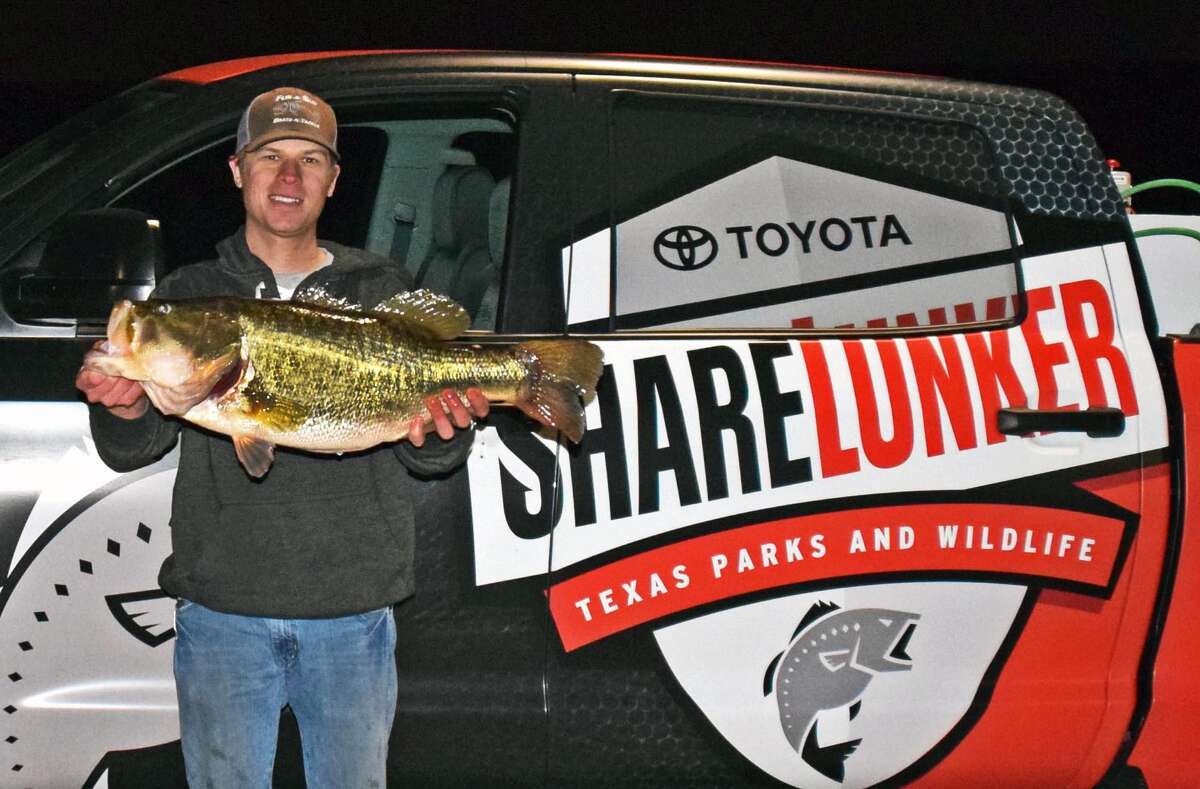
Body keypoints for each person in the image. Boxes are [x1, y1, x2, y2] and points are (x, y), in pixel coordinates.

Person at [75, 86, 489, 788]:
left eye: (309, 159)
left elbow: (432, 456)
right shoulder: (194, 290)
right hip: (222, 611)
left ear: (334, 179)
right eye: (270, 156)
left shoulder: (378, 289)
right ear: (238, 170)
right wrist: (122, 406)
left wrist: (443, 429)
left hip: (352, 610)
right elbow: (134, 447)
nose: (289, 176)